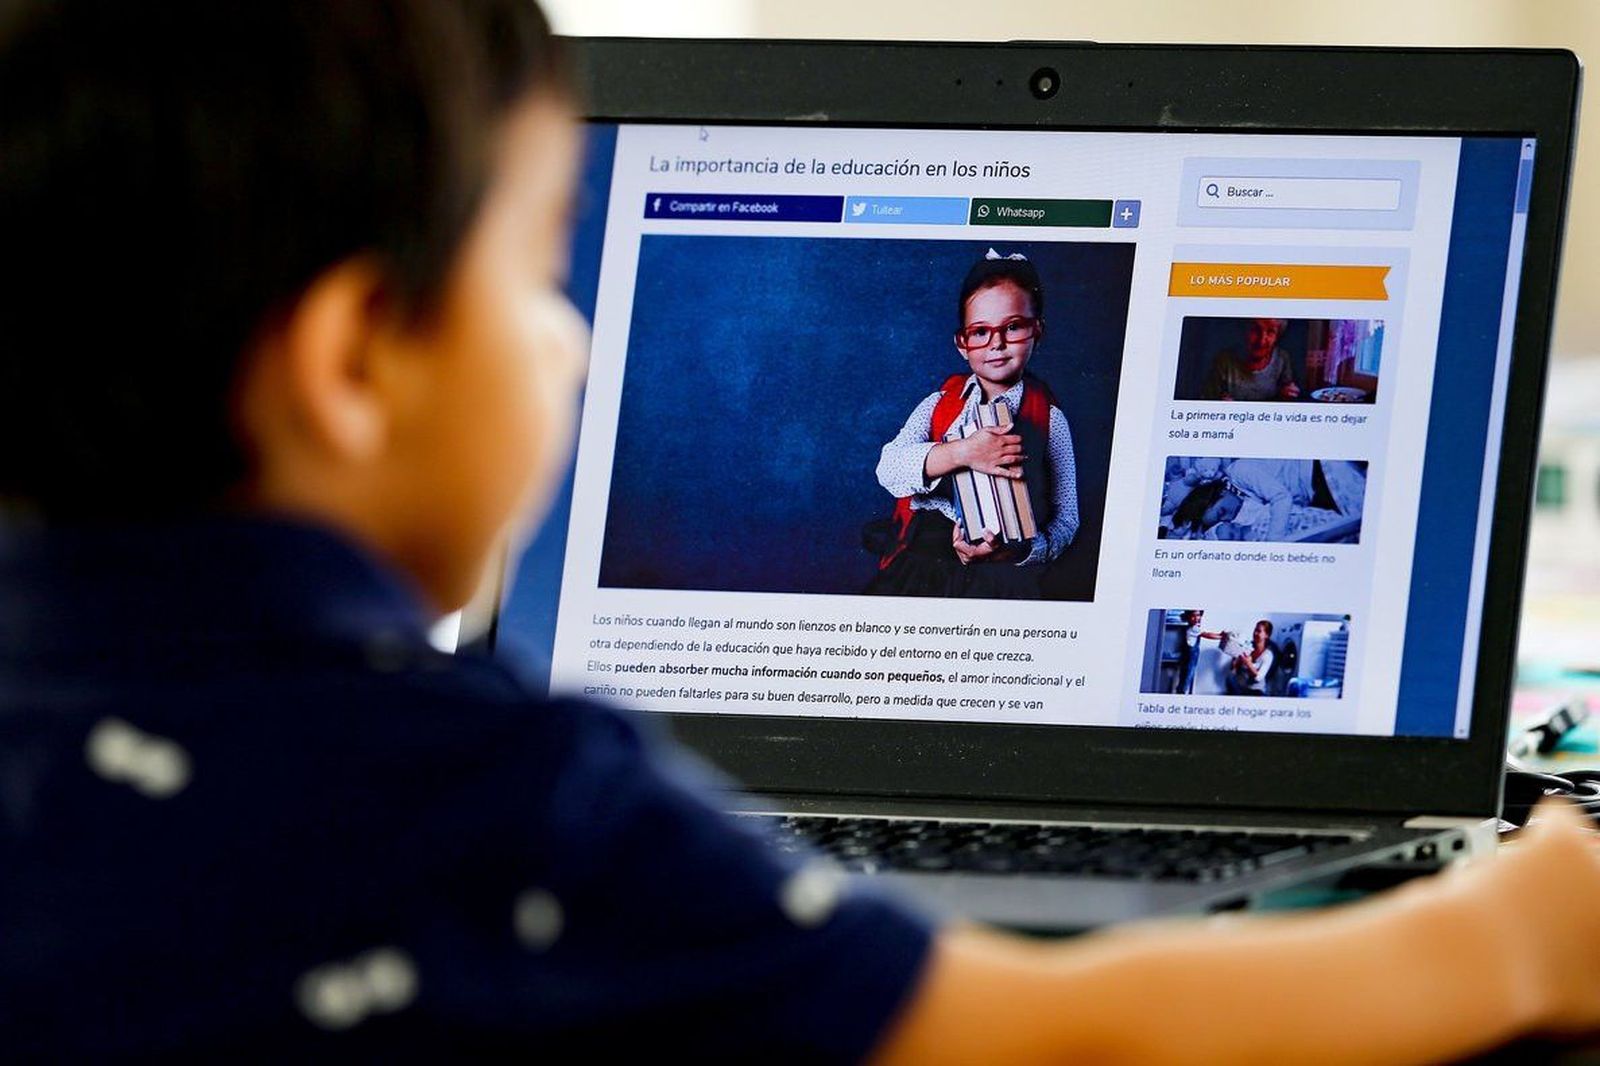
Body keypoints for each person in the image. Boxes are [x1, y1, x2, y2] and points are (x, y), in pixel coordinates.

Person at [7, 2, 1600, 1061]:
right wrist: (1512, 938)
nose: (571, 341)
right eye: (539, 270)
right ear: (356, 360)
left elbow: (1062, 533)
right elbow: (1050, 1038)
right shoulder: (511, 806)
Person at [868, 250, 1078, 599]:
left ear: (1037, 331)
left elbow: (1067, 519)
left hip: (1003, 575)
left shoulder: (1050, 419)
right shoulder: (939, 404)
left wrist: (1021, 552)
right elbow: (887, 468)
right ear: (962, 344)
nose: (996, 343)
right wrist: (963, 453)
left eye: (1013, 327)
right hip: (925, 568)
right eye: (980, 332)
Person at [1170, 459, 1365, 541]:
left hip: (1315, 473)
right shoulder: (1238, 508)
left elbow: (1281, 497)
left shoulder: (1239, 471)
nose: (1230, 518)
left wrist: (1273, 544)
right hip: (1311, 497)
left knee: (1358, 522)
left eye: (1222, 511)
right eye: (1222, 520)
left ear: (1220, 491)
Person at [1203, 316, 1301, 401]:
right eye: (1255, 330)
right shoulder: (1224, 360)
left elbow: (1287, 391)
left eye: (1271, 332)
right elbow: (1207, 399)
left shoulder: (1281, 359)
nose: (1262, 341)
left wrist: (1287, 394)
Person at [1175, 610, 1224, 695]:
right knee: (1187, 676)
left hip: (1191, 657)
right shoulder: (1193, 628)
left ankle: (1181, 691)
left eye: (1198, 615)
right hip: (1190, 657)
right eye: (1193, 616)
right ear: (1188, 618)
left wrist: (1220, 634)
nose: (1196, 618)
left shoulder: (1193, 627)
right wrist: (1220, 637)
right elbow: (1207, 635)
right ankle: (1181, 693)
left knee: (1187, 675)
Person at [1226, 620, 1278, 696]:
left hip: (1256, 691)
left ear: (1266, 635)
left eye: (1259, 631)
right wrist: (1235, 662)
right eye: (1255, 630)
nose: (1255, 633)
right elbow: (1234, 669)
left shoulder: (1268, 655)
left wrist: (1248, 664)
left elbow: (1258, 678)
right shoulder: (1247, 647)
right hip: (1242, 687)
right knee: (1229, 678)